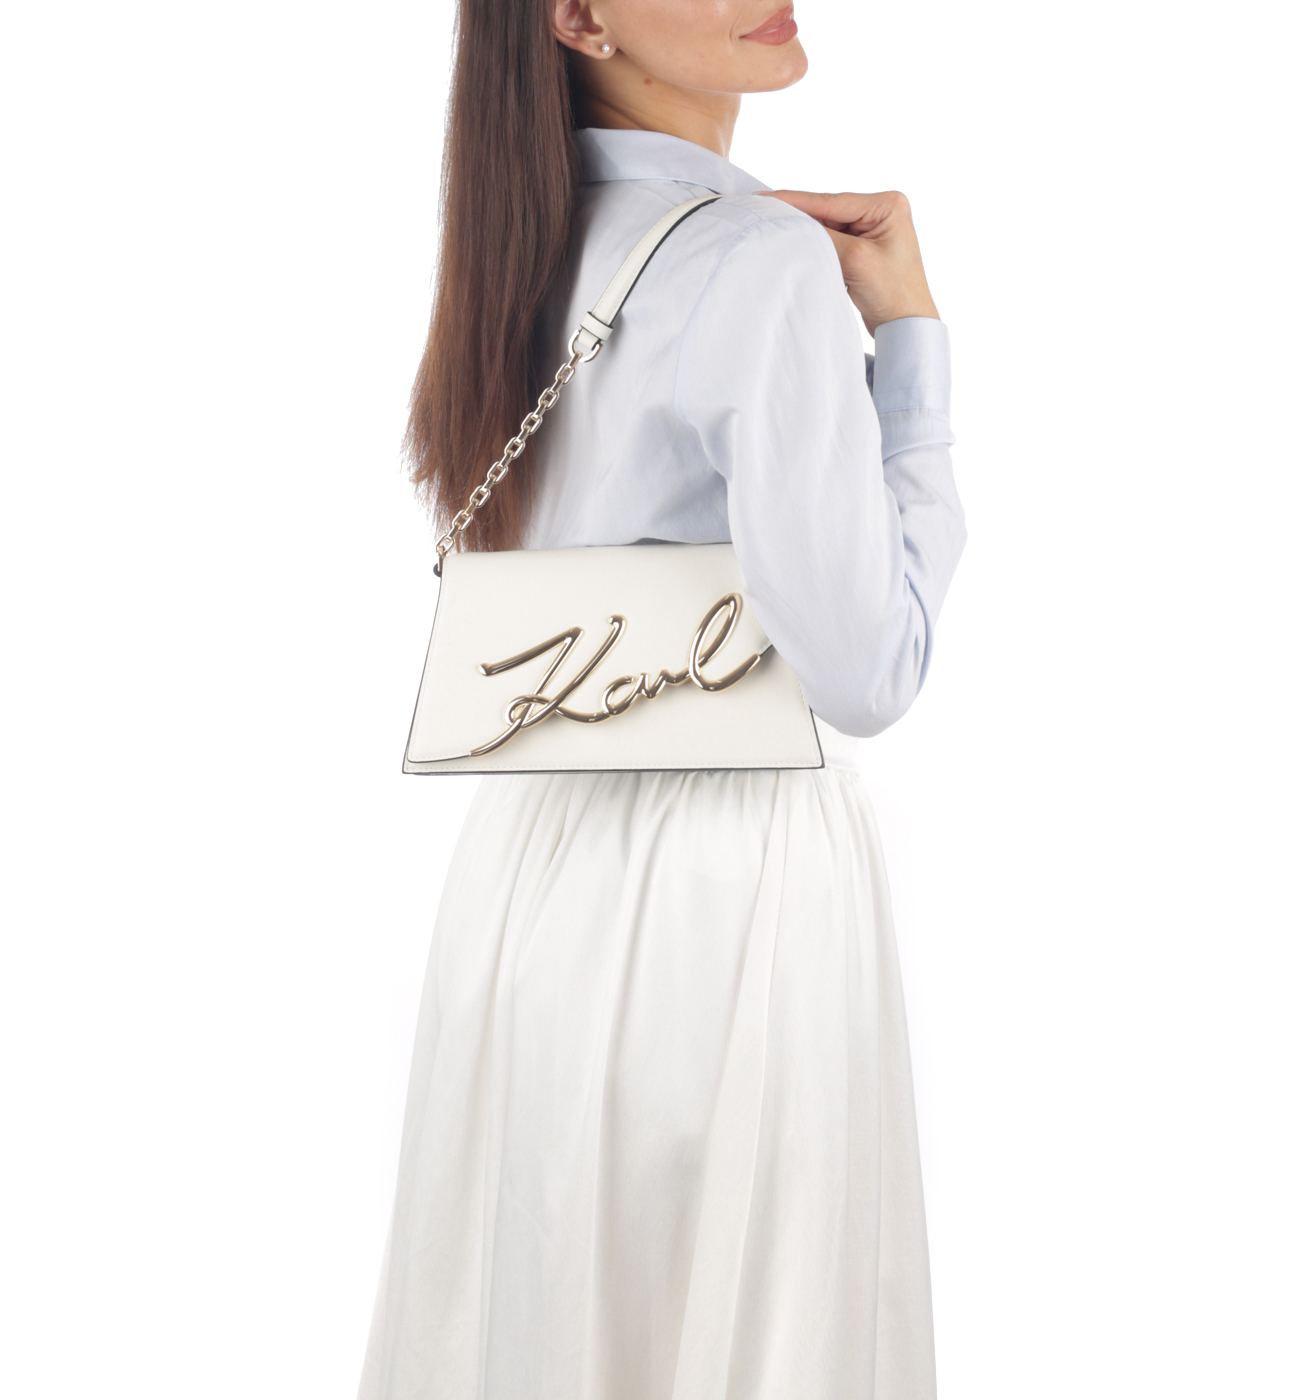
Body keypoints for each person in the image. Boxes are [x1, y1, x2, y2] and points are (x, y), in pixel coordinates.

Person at [359, 0, 966, 1395]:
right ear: (578, 18)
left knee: (538, 1325)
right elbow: (870, 667)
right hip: (728, 881)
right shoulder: (758, 262)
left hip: (527, 870)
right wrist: (913, 349)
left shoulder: (517, 245)